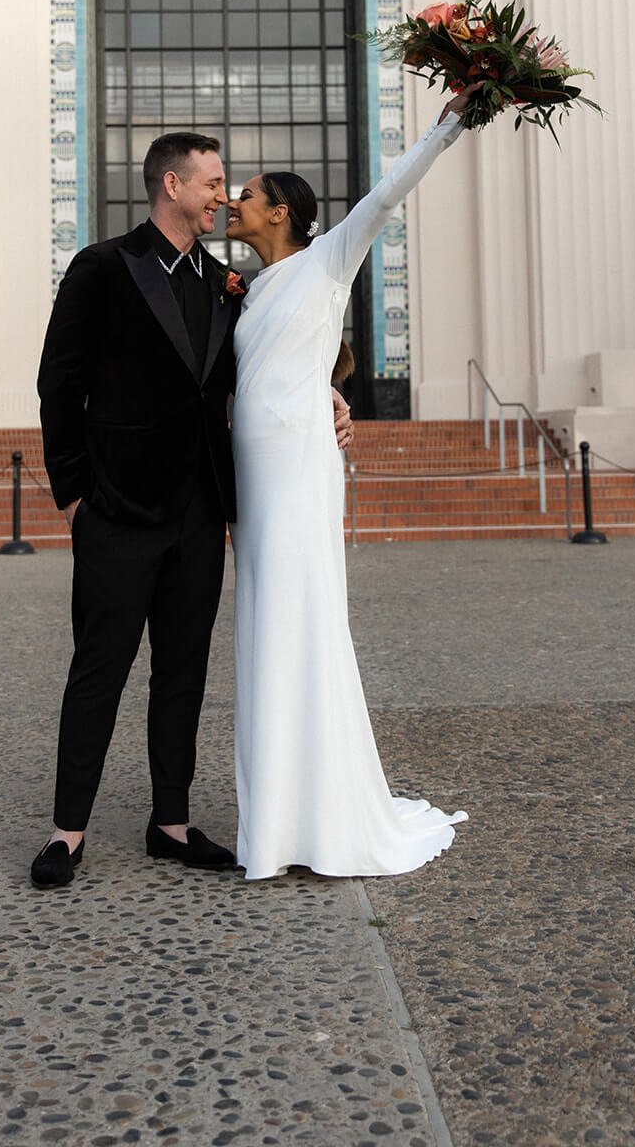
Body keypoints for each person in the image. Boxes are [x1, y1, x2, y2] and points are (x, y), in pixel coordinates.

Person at [31, 131, 351, 888]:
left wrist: (330, 395)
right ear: (170, 185)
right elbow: (57, 383)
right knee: (98, 671)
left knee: (182, 672)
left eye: (226, 186)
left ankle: (169, 823)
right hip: (114, 511)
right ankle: (65, 831)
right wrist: (73, 495)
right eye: (211, 183)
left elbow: (271, 365)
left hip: (200, 515)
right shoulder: (103, 267)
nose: (221, 195)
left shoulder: (224, 284)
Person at [224, 96, 474, 880]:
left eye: (246, 195)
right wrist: (331, 390)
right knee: (264, 619)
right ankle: (276, 813)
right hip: (251, 473)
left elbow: (388, 191)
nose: (234, 202)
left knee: (303, 617)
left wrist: (450, 123)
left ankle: (322, 815)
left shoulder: (330, 256)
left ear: (282, 214)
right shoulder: (243, 287)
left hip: (299, 468)